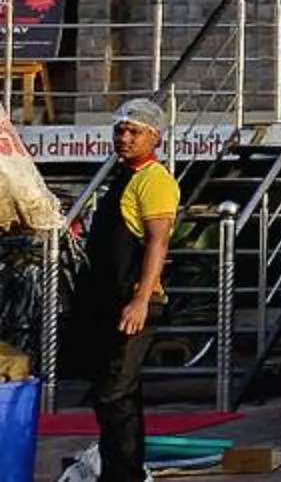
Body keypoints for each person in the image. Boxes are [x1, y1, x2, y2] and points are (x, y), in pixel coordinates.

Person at [67, 97, 176, 482]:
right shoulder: (123, 178)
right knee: (111, 392)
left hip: (134, 302)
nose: (124, 137)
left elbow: (157, 242)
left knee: (116, 392)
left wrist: (142, 299)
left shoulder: (155, 181)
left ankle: (124, 475)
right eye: (120, 130)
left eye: (134, 132)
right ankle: (119, 471)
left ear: (155, 138)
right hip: (108, 302)